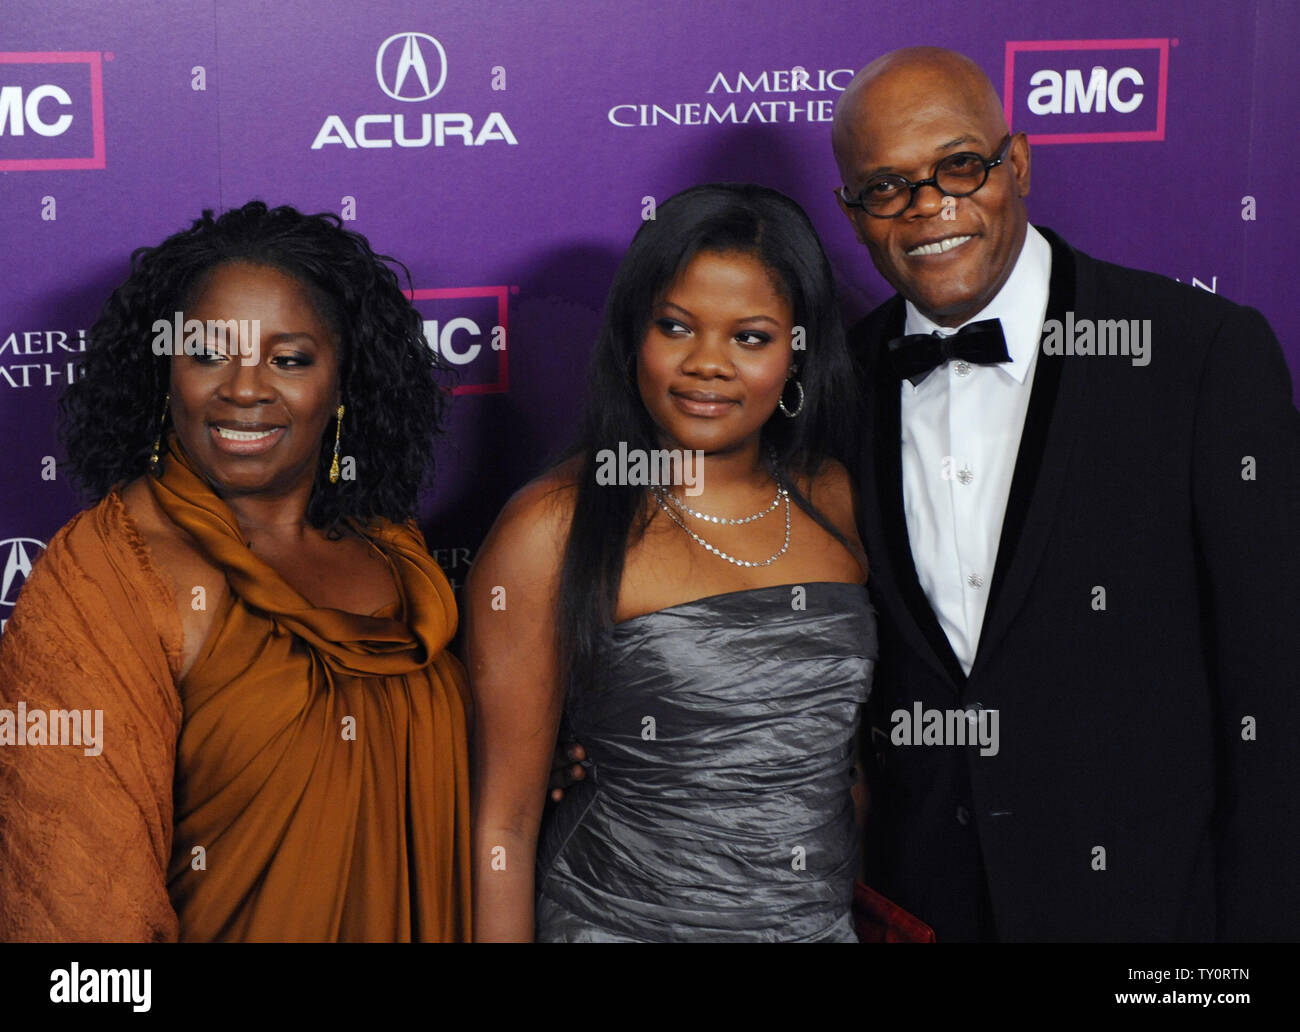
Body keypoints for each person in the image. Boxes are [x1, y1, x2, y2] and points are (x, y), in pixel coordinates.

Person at [831, 47, 1300, 941]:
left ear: (1019, 163)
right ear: (853, 216)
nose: (931, 207)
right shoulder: (837, 386)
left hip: (1154, 922)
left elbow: (1274, 698)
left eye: (960, 166)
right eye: (887, 187)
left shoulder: (1197, 355)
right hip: (925, 908)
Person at [0, 201, 472, 942]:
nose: (244, 389)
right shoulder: (109, 577)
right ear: (164, 373)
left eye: (288, 359)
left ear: (344, 381)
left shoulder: (391, 547)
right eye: (208, 353)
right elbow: (78, 905)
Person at [466, 183, 875, 941]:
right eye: (676, 327)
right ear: (633, 337)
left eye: (750, 337)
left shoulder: (835, 497)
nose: (707, 365)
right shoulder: (552, 527)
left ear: (798, 349)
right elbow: (504, 825)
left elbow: (845, 768)